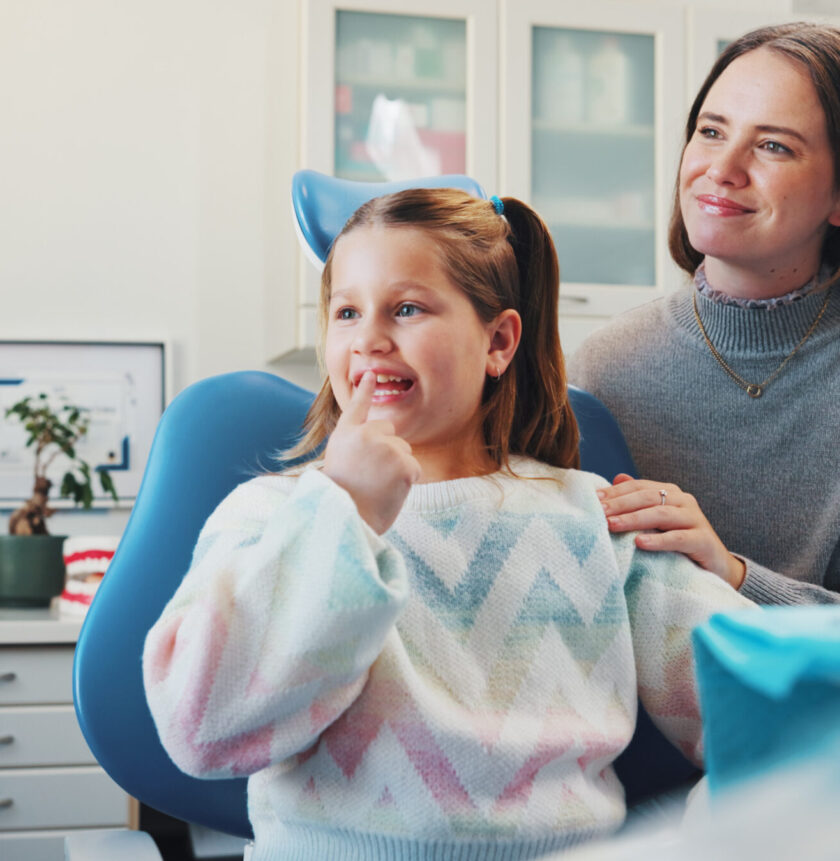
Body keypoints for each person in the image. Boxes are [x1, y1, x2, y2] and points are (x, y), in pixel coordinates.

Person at [142, 188, 753, 860]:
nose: (369, 338)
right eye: (346, 311)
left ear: (498, 341)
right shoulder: (274, 517)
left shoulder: (596, 517)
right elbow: (201, 729)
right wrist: (342, 512)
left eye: (406, 308)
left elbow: (772, 718)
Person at [569, 22, 840, 607]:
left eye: (773, 145)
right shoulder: (603, 367)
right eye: (710, 131)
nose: (722, 168)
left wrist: (733, 577)